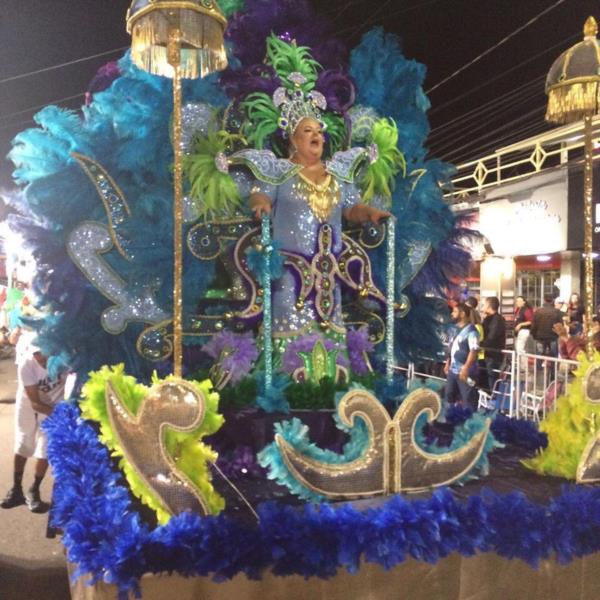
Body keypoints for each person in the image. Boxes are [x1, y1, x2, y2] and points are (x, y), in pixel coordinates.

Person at [249, 116, 390, 344]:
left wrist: (369, 213)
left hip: (328, 273)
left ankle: (330, 378)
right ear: (293, 140)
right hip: (290, 271)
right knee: (287, 324)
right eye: (307, 130)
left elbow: (351, 208)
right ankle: (286, 377)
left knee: (329, 332)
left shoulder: (337, 175)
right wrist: (260, 203)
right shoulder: (279, 171)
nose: (316, 135)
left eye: (319, 131)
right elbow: (259, 192)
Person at [1, 344, 66, 512]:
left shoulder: (65, 361)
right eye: (37, 354)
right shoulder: (27, 364)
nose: (41, 357)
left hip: (55, 403)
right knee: (24, 442)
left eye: (44, 352)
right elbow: (36, 403)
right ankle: (16, 489)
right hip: (30, 403)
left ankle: (34, 490)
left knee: (46, 448)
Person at [443, 303, 480, 409]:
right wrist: (447, 363)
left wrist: (466, 368)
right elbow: (451, 347)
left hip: (467, 373)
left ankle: (470, 422)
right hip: (452, 370)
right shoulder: (454, 329)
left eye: (455, 311)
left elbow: (474, 350)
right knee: (449, 396)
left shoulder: (472, 331)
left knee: (468, 399)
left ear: (462, 314)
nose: (452, 314)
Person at [480, 297, 506, 392]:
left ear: (489, 306)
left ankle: (493, 396)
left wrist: (480, 344)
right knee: (485, 376)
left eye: (484, 305)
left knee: (492, 377)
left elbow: (491, 338)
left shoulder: (497, 320)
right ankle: (487, 395)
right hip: (486, 353)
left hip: (493, 354)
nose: (482, 307)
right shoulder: (488, 319)